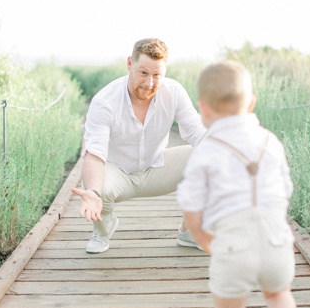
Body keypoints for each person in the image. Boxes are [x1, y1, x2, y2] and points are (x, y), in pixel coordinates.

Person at [177, 60, 298, 308]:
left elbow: (190, 201)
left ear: (203, 110)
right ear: (252, 102)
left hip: (231, 242)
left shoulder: (207, 151)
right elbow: (285, 187)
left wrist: (200, 236)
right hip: (276, 238)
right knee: (279, 294)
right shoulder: (270, 141)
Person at [69, 38, 207, 253]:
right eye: (143, 73)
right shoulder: (105, 101)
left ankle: (190, 232)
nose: (149, 83)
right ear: (129, 64)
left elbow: (197, 132)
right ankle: (102, 229)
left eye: (157, 75)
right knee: (98, 187)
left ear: (165, 71)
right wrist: (94, 192)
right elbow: (94, 154)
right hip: (118, 174)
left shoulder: (174, 92)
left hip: (157, 168)